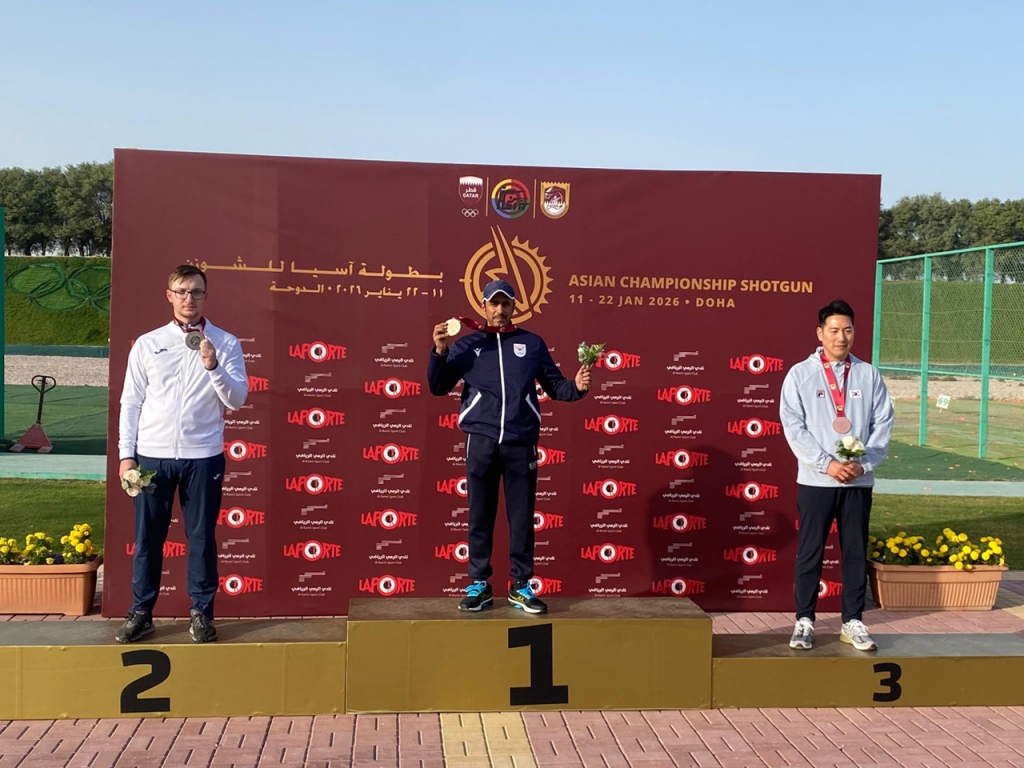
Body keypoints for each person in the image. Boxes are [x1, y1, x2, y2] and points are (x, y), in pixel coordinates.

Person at [428, 279, 592, 614]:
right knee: (479, 515)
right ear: (483, 306)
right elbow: (438, 385)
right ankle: (479, 584)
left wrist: (576, 386)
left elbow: (555, 385)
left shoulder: (531, 343)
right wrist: (440, 351)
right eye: (494, 303)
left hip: (521, 442)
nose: (499, 310)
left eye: (505, 304)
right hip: (481, 441)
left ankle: (521, 585)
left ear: (514, 307)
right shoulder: (469, 344)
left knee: (521, 518)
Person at [116, 265, 248, 643]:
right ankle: (142, 612)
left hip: (203, 456)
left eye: (197, 292)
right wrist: (126, 455)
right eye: (182, 291)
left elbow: (237, 400)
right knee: (148, 538)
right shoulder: (148, 343)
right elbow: (131, 402)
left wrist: (213, 366)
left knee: (201, 537)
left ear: (206, 296)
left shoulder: (225, 343)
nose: (189, 298)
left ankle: (201, 613)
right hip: (152, 457)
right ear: (169, 295)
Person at [780, 299, 893, 652]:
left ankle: (853, 621)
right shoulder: (800, 374)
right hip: (817, 480)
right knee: (810, 551)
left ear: (854, 332)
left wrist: (864, 463)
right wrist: (826, 464)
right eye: (833, 330)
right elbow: (793, 426)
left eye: (847, 330)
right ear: (820, 333)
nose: (841, 337)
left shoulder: (868, 375)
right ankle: (804, 620)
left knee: (855, 552)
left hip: (857, 481)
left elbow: (882, 423)